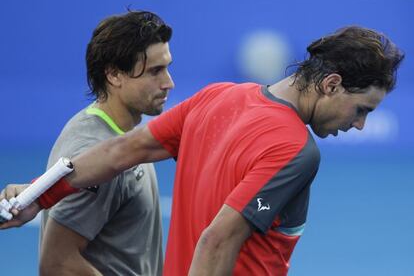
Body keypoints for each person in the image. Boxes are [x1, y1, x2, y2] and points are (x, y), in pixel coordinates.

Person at [0, 26, 404, 276]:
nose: (360, 124)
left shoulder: (217, 96)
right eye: (362, 109)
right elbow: (216, 241)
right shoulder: (297, 152)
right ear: (331, 84)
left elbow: (121, 150)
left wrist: (39, 196)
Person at [38, 10, 173, 275]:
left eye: (167, 67)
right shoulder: (93, 151)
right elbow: (57, 264)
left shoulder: (126, 135)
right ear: (114, 75)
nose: (168, 83)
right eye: (155, 71)